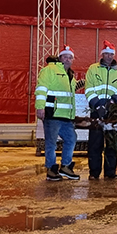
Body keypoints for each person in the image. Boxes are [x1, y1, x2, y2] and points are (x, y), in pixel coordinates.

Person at [85, 40, 117, 180]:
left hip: (113, 112)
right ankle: (94, 172)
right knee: (95, 143)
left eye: (111, 54)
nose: (109, 56)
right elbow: (89, 88)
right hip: (96, 111)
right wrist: (97, 105)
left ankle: (110, 172)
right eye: (106, 54)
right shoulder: (93, 69)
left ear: (113, 55)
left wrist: (113, 101)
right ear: (102, 54)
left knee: (111, 143)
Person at [35, 46, 80, 181]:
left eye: (70, 57)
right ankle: (51, 169)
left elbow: (70, 93)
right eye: (65, 56)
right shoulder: (49, 70)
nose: (68, 59)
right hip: (52, 113)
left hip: (66, 115)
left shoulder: (70, 75)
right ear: (59, 58)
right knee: (51, 143)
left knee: (71, 139)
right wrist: (40, 107)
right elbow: (41, 89)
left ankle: (65, 167)